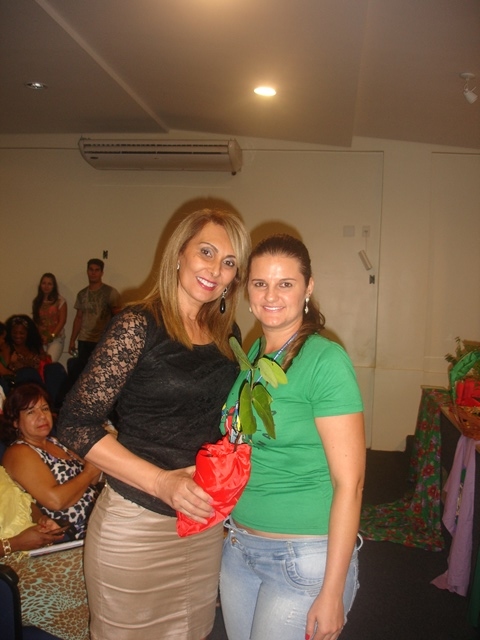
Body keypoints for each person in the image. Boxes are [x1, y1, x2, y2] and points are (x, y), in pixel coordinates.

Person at [57, 208, 251, 640]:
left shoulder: (228, 334)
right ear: (179, 253)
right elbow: (74, 424)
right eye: (206, 252)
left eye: (229, 262)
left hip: (200, 523)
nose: (215, 270)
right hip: (136, 527)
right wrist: (163, 483)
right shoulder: (137, 325)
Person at [219, 234, 366, 640]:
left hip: (304, 558)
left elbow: (350, 483)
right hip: (239, 548)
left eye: (285, 283)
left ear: (308, 288)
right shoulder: (255, 356)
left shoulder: (324, 360)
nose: (271, 295)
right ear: (247, 291)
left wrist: (332, 591)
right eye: (260, 283)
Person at [1, 383, 101, 540]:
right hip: (72, 533)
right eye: (31, 412)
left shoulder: (55, 442)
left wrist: (92, 468)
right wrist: (88, 472)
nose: (42, 416)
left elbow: (93, 480)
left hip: (98, 520)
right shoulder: (19, 452)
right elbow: (56, 501)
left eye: (45, 408)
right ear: (15, 421)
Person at [0, 464, 89, 640]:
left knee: (100, 556)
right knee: (89, 565)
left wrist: (42, 521)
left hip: (30, 552)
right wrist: (15, 543)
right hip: (8, 568)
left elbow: (23, 502)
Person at [68, 258, 121, 380]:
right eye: (91, 270)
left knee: (100, 373)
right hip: (84, 339)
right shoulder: (82, 294)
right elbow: (79, 317)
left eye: (97, 270)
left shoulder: (110, 292)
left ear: (102, 273)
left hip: (102, 339)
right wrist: (72, 340)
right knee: (83, 374)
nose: (93, 273)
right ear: (87, 271)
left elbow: (117, 316)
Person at [4, 314, 68, 408]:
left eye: (21, 333)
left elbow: (45, 363)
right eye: (14, 333)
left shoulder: (35, 346)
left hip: (41, 383)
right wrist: (11, 363)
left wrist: (44, 358)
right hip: (21, 384)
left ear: (28, 333)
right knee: (28, 372)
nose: (18, 336)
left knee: (55, 367)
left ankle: (58, 407)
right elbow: (4, 369)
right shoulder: (7, 347)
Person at [32, 272, 68, 362]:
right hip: (40, 339)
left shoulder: (60, 301)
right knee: (38, 363)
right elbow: (36, 321)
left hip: (55, 338)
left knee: (49, 362)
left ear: (53, 286)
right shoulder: (37, 301)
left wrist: (51, 336)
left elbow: (62, 321)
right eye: (44, 283)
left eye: (49, 284)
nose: (46, 286)